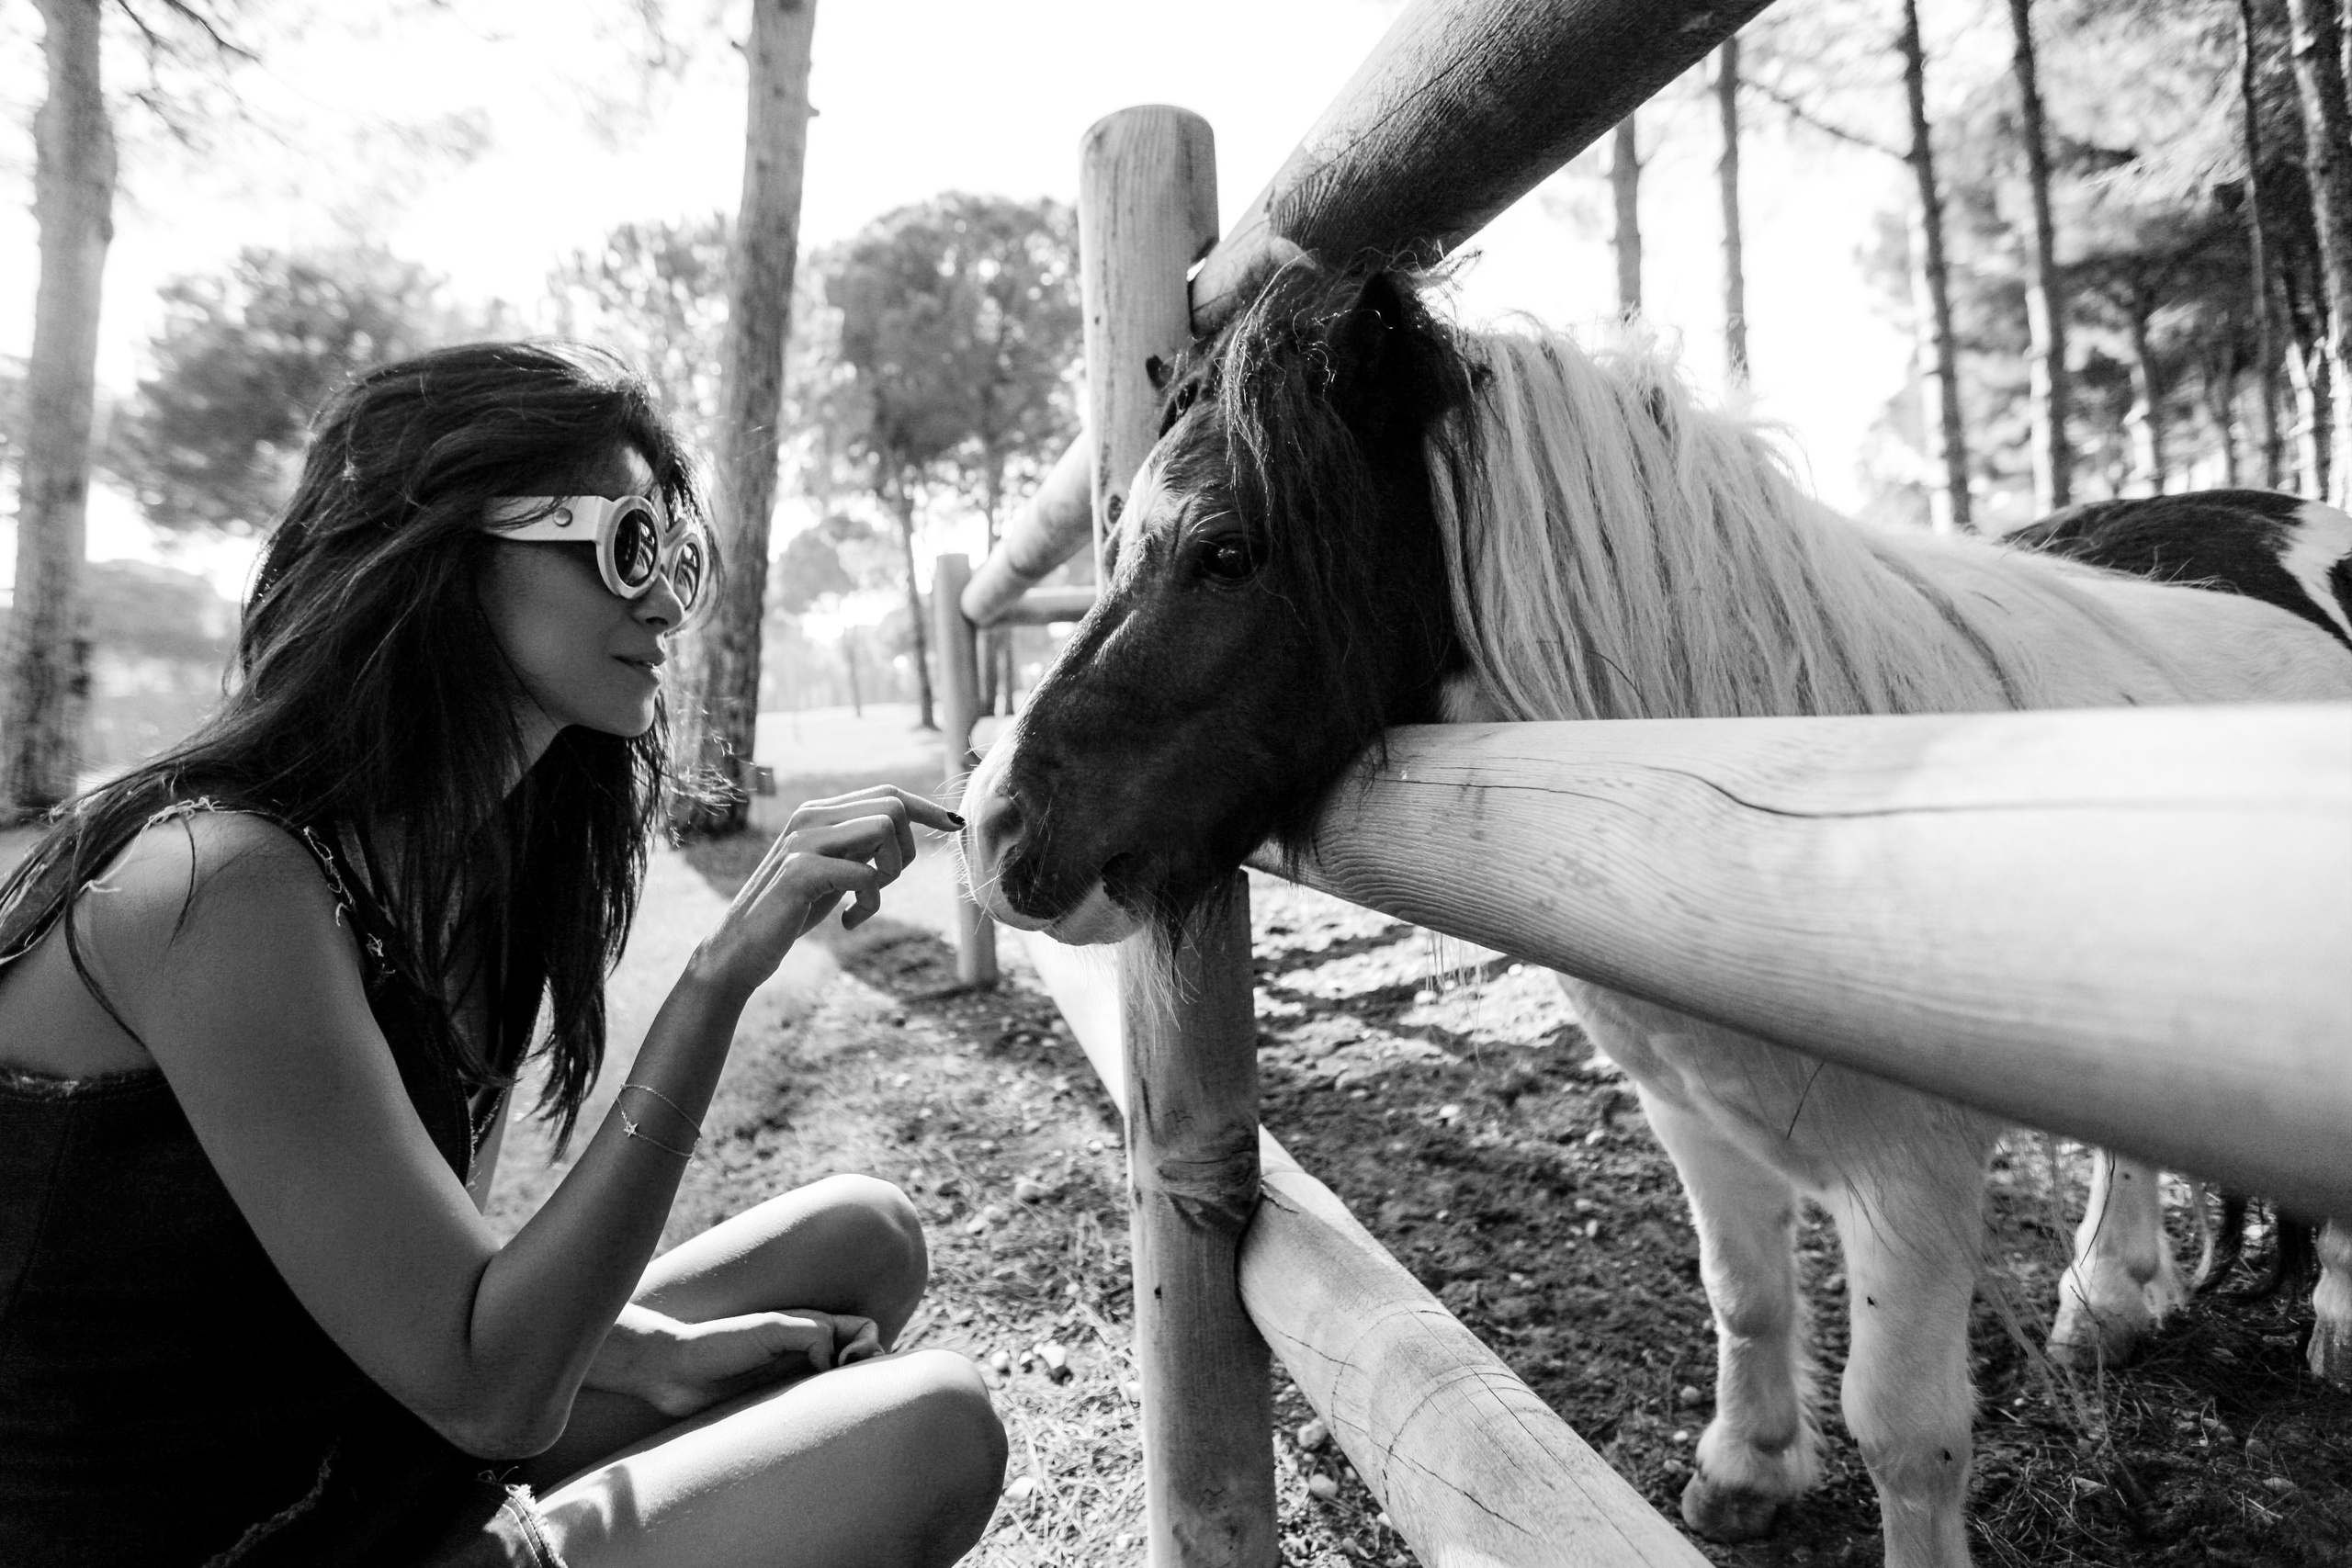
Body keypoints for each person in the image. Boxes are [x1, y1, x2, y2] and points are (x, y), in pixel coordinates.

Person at [0, 343, 1006, 1568]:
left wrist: (658, 1356)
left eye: (677, 556)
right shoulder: (219, 888)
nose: (669, 604)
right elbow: (493, 1389)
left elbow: (430, 1286)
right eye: (629, 543)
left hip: (360, 1449)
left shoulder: (457, 867)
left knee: (864, 1238)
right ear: (447, 550)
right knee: (930, 1435)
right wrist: (717, 979)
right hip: (242, 1545)